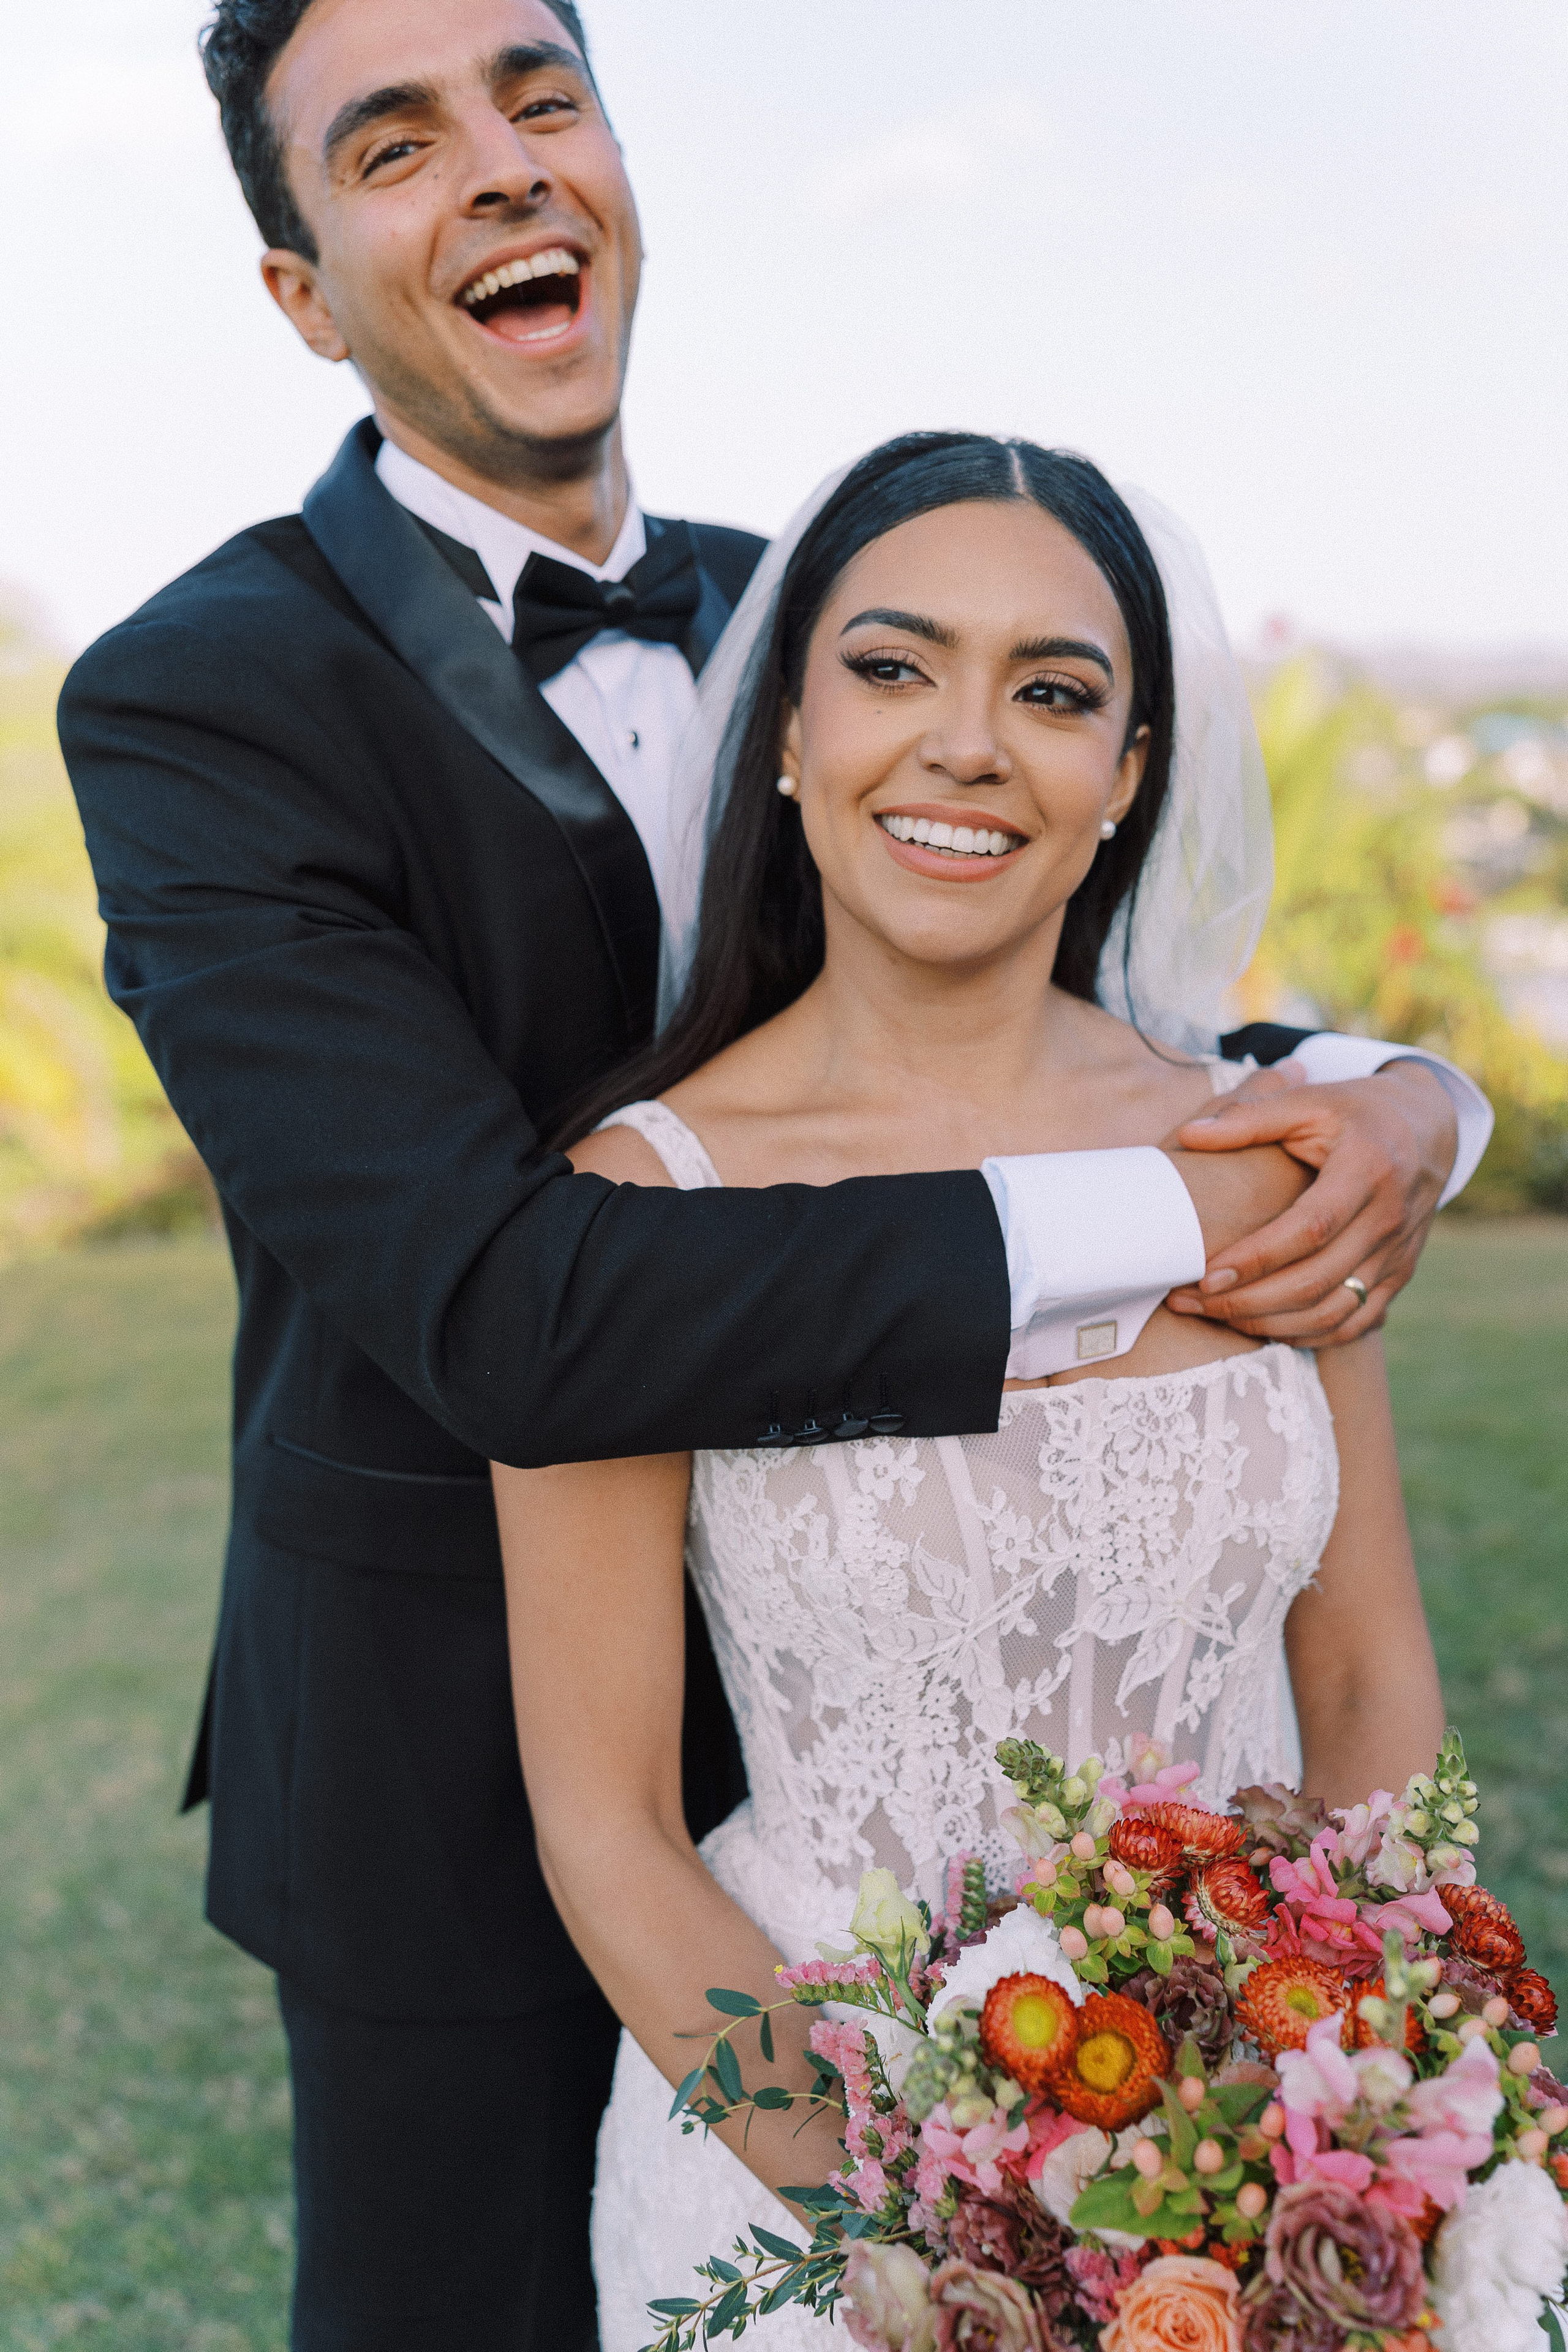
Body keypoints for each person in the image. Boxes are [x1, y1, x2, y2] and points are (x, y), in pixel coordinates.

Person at [55, 1, 1486, 2345]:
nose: (505, 167)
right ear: (304, 291)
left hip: (972, 1750)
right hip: (458, 1739)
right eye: (396, 141)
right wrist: (1183, 1220)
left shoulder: (829, 601)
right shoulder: (200, 695)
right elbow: (524, 1308)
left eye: (543, 98)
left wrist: (1417, 1097)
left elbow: (1083, 999)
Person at [489, 434, 1447, 2348]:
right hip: (815, 2192)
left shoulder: (1275, 1151)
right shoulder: (634, 1211)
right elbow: (608, 1825)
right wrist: (938, 2239)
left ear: (1128, 777)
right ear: (782, 731)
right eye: (895, 666)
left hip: (1269, 2147)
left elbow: (1363, 1687)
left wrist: (1341, 2118)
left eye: (1056, 692)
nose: (969, 742)